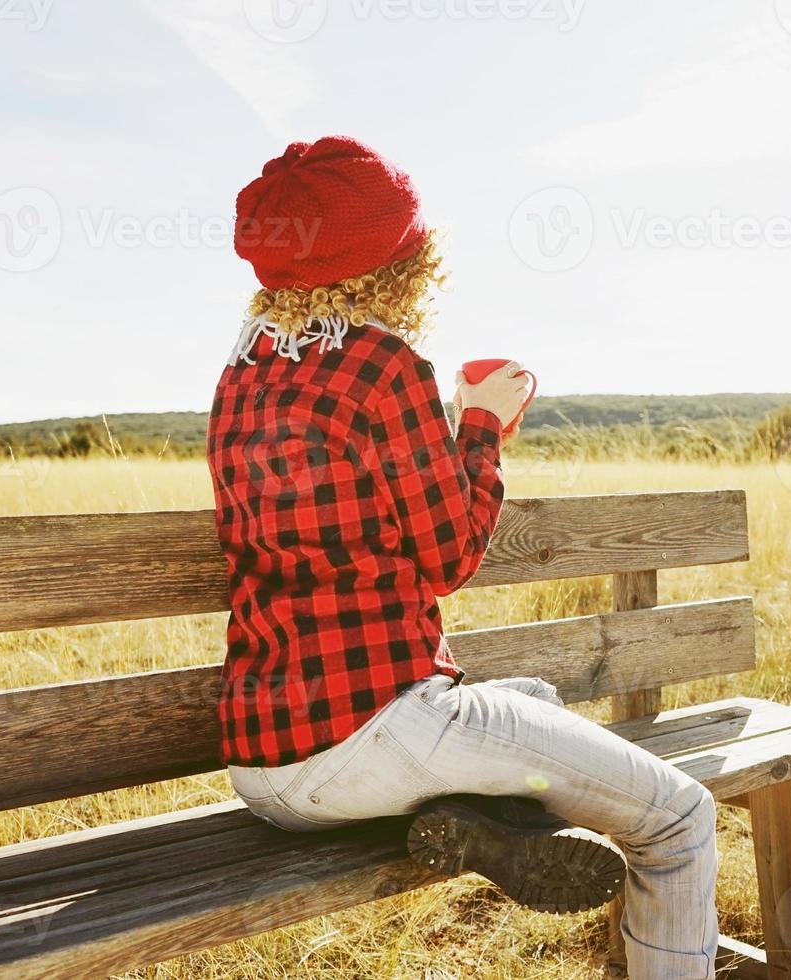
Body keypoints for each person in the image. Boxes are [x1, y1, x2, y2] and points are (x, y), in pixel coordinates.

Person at [208, 135, 719, 978]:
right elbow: (449, 555)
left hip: (265, 769)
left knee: (530, 697)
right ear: (396, 258)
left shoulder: (241, 377)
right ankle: (519, 838)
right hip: (371, 733)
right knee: (678, 817)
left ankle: (485, 830)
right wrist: (479, 424)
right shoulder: (381, 364)